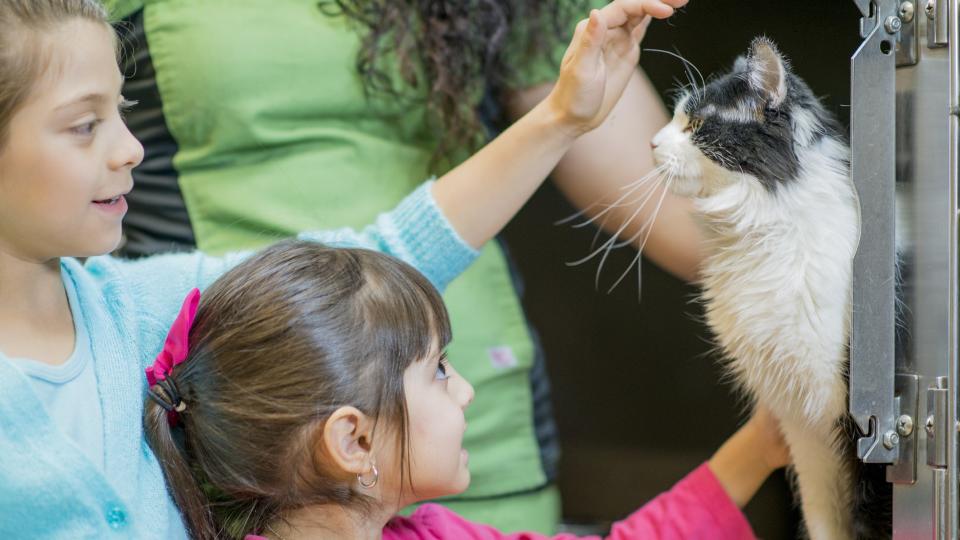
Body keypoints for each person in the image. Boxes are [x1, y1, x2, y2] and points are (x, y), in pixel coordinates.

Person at [0, 0, 666, 537]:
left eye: (124, 111)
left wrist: (560, 118)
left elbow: (386, 252)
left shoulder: (134, 307)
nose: (130, 148)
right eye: (85, 125)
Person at [144, 241, 790, 540]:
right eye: (440, 372)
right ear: (353, 438)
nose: (467, 393)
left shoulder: (428, 532)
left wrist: (760, 446)